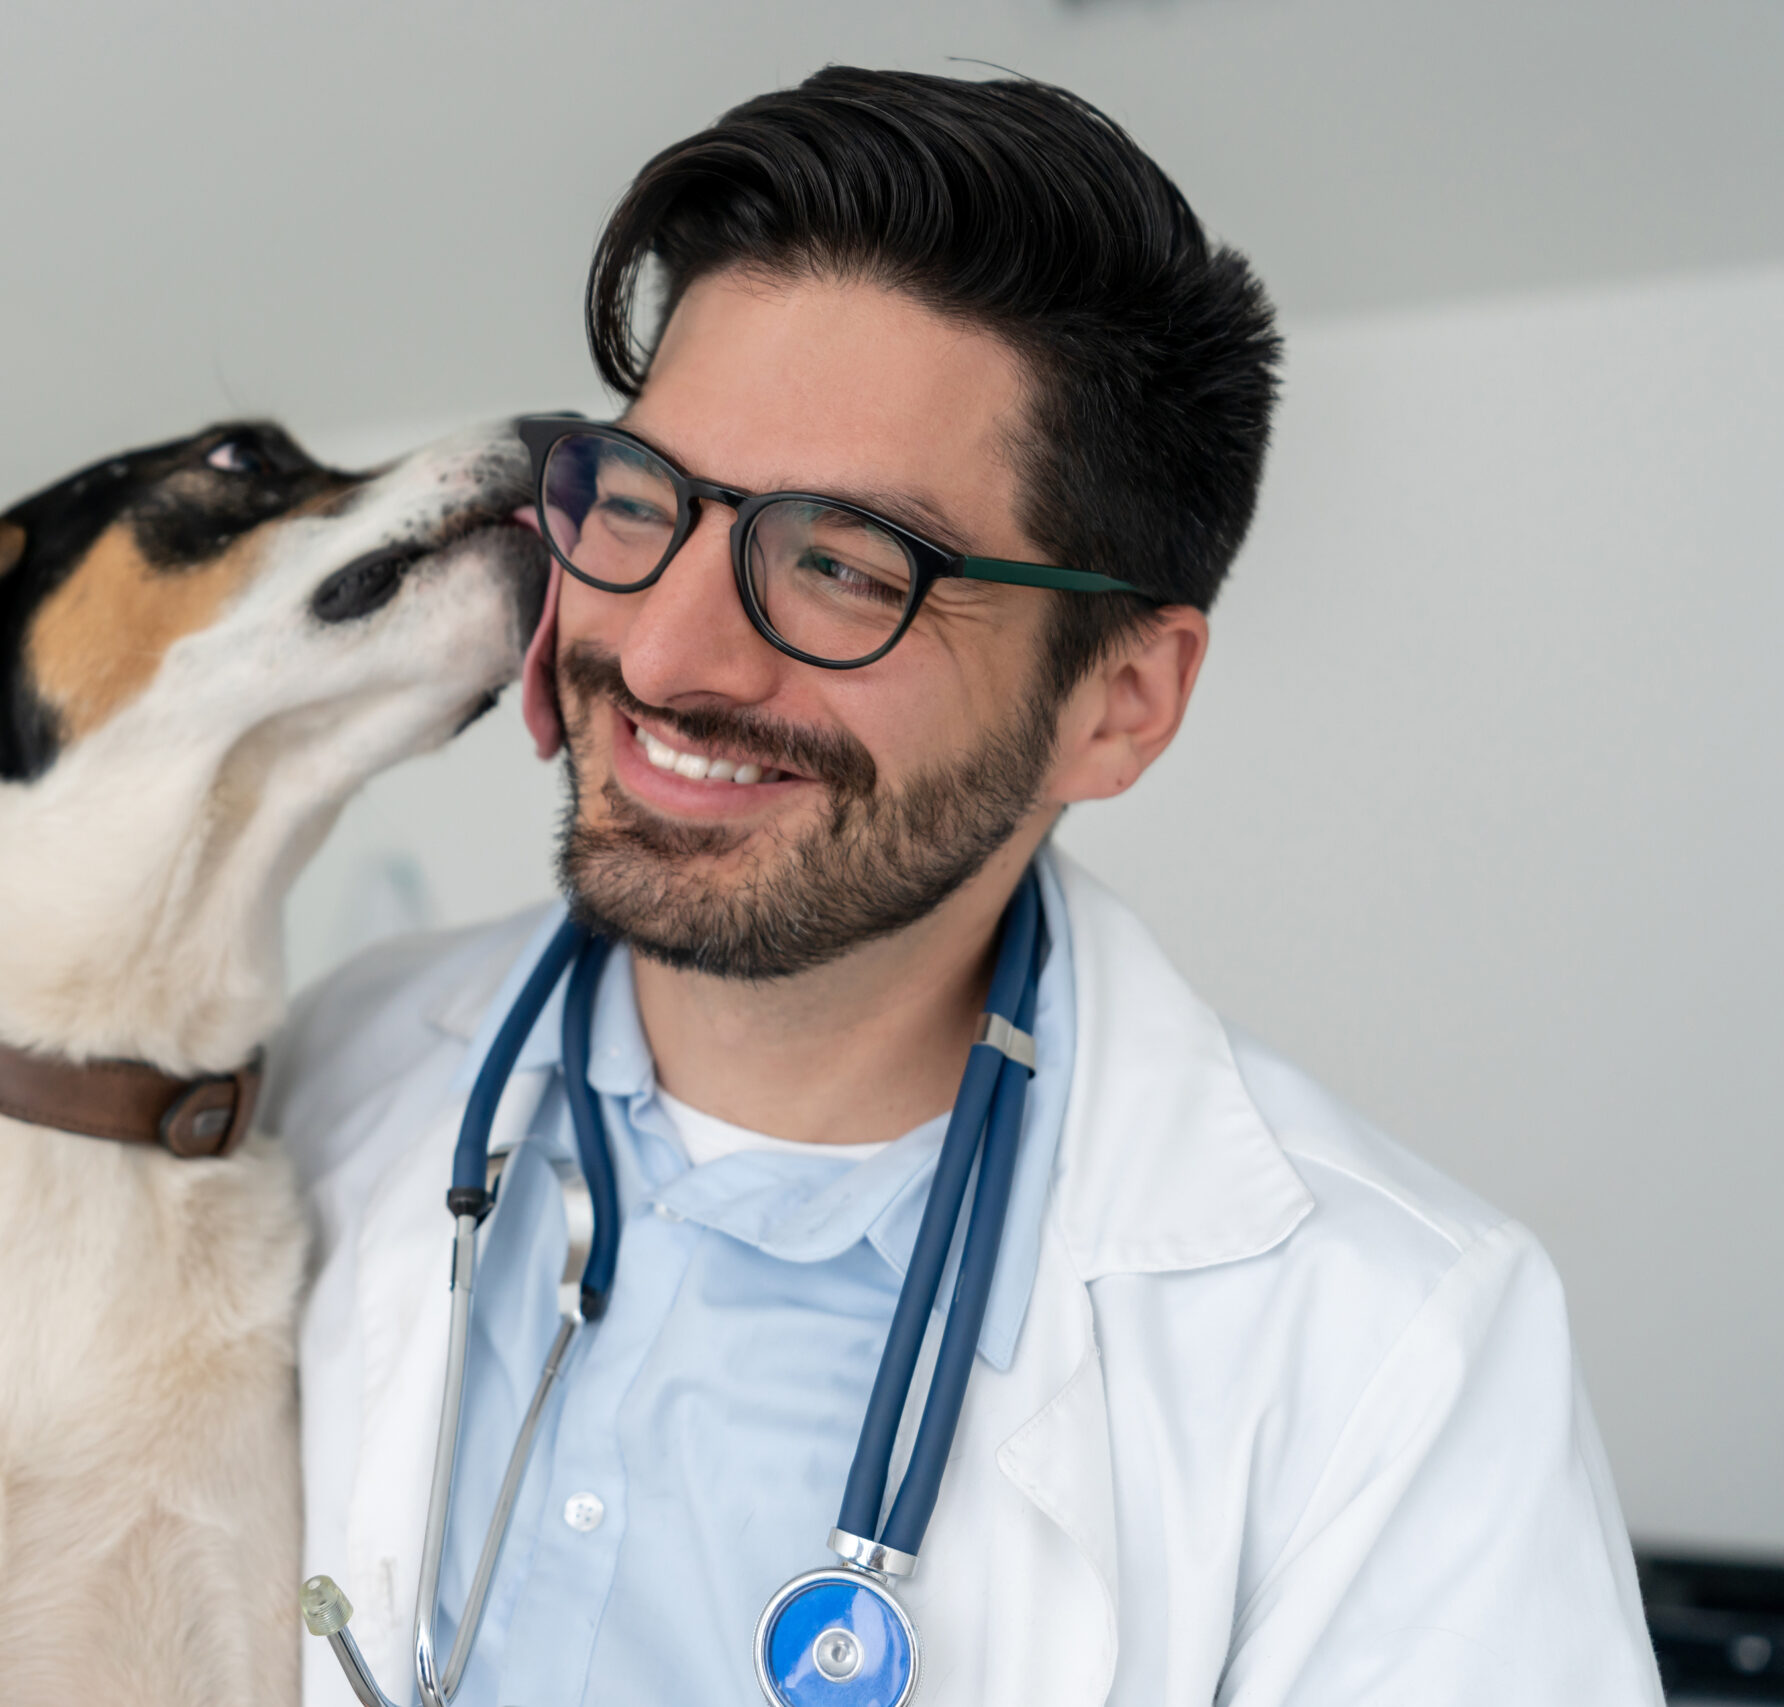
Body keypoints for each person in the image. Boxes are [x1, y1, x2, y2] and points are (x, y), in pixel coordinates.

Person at [265, 68, 1660, 1707]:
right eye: (641, 504)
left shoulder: (1389, 1350)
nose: (662, 649)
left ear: (1119, 699)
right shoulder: (318, 1077)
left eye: (845, 565)